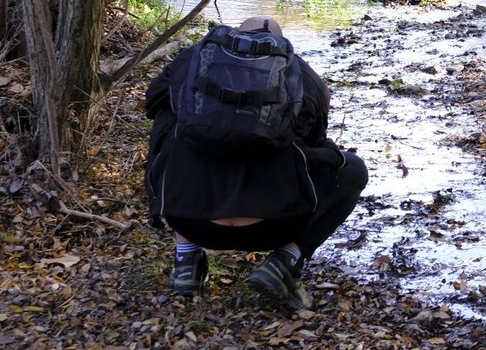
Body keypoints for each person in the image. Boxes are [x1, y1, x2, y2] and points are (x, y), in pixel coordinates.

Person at [144, 16, 367, 310]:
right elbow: (316, 139)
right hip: (274, 227)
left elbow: (152, 101)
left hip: (190, 219)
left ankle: (186, 257)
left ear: (235, 38)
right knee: (352, 169)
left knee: (169, 122)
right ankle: (287, 260)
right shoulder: (300, 74)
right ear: (282, 46)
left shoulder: (193, 63)